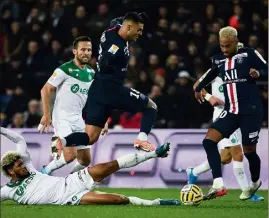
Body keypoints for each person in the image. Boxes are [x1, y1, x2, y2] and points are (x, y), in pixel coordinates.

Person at [0, 127, 179, 206]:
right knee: (119, 200)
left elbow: (19, 140)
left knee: (109, 165)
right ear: (10, 171)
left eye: (22, 163)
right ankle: (157, 203)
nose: (23, 166)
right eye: (18, 165)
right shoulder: (6, 191)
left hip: (69, 182)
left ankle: (155, 153)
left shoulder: (29, 169)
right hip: (69, 199)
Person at [58, 12, 158, 153]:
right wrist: (107, 60)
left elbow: (116, 20)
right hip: (112, 90)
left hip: (97, 89)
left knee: (90, 138)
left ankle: (62, 141)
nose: (140, 33)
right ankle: (141, 139)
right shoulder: (117, 49)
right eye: (139, 30)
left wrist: (140, 16)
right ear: (129, 27)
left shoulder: (113, 28)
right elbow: (108, 56)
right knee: (150, 107)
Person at [194, 26, 267, 200]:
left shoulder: (249, 54)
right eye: (222, 46)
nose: (224, 49)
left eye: (228, 46)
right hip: (231, 111)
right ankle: (218, 183)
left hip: (251, 111)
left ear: (236, 42)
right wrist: (198, 87)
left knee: (249, 152)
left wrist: (259, 72)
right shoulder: (218, 59)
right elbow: (211, 73)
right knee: (209, 142)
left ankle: (255, 182)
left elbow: (267, 69)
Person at [38, 36, 108, 175]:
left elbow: (95, 100)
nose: (86, 52)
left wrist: (103, 120)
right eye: (83, 49)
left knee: (85, 160)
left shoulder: (91, 73)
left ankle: (72, 181)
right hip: (62, 117)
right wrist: (46, 114)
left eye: (89, 50)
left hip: (77, 118)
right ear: (74, 51)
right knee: (70, 155)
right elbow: (46, 89)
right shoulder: (65, 69)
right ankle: (46, 170)